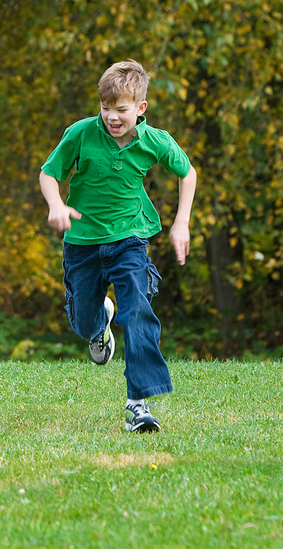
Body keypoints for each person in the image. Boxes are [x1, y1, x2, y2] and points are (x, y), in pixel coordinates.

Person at [39, 60, 196, 433]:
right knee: (82, 321)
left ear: (140, 108)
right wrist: (56, 204)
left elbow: (187, 173)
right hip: (83, 244)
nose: (111, 116)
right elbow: (49, 173)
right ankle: (98, 325)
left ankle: (138, 405)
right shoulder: (80, 133)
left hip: (129, 239)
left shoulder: (154, 141)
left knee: (139, 309)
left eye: (121, 109)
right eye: (105, 108)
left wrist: (181, 222)